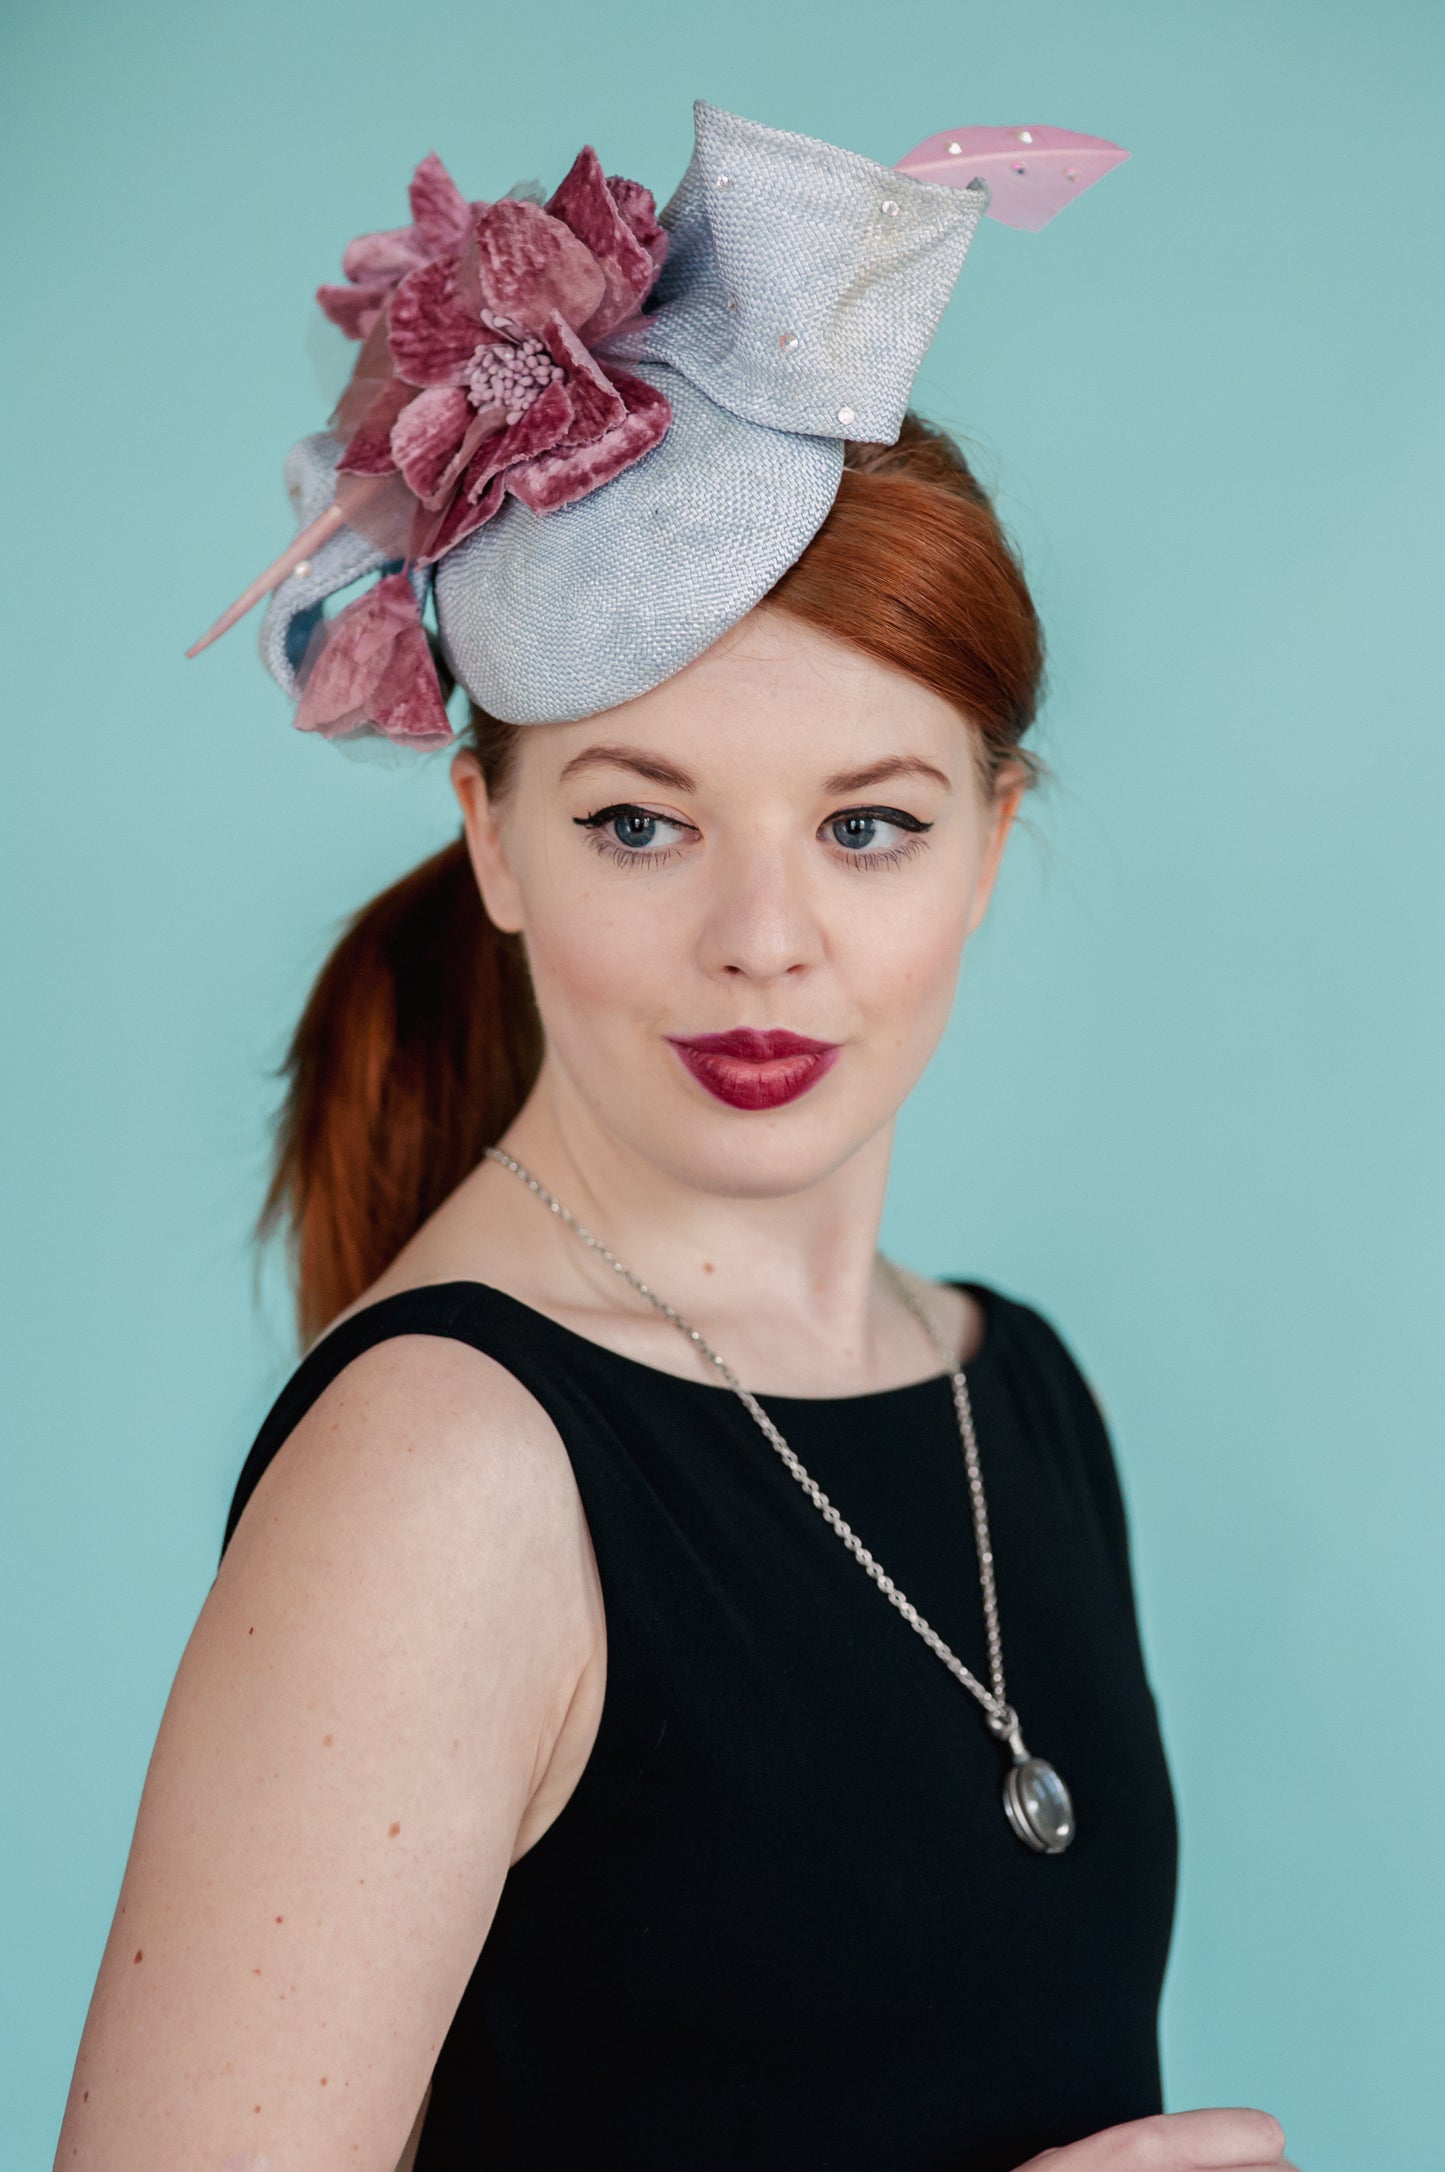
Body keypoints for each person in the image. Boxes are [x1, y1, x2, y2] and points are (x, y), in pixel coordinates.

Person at [54, 102, 1298, 2172]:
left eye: (870, 825)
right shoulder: (444, 1479)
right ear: (497, 843)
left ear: (989, 849)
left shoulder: (1026, 1398)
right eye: (640, 819)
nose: (764, 944)